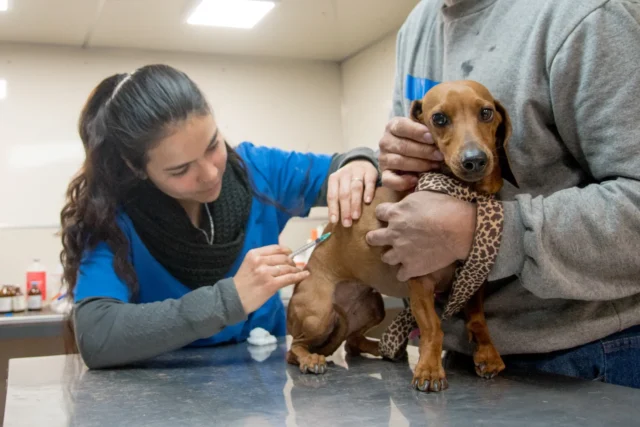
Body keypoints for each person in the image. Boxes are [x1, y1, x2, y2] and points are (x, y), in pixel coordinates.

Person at [366, 0, 640, 388]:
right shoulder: (416, 26)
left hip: (591, 356)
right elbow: (409, 163)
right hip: (458, 354)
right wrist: (365, 161)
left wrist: (486, 232)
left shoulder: (588, 13)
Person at [60, 64, 380, 369]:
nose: (211, 173)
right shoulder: (113, 219)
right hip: (162, 399)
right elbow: (97, 335)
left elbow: (343, 166)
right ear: (136, 168)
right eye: (181, 169)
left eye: (213, 145)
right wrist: (228, 299)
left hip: (268, 390)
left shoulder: (256, 170)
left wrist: (360, 163)